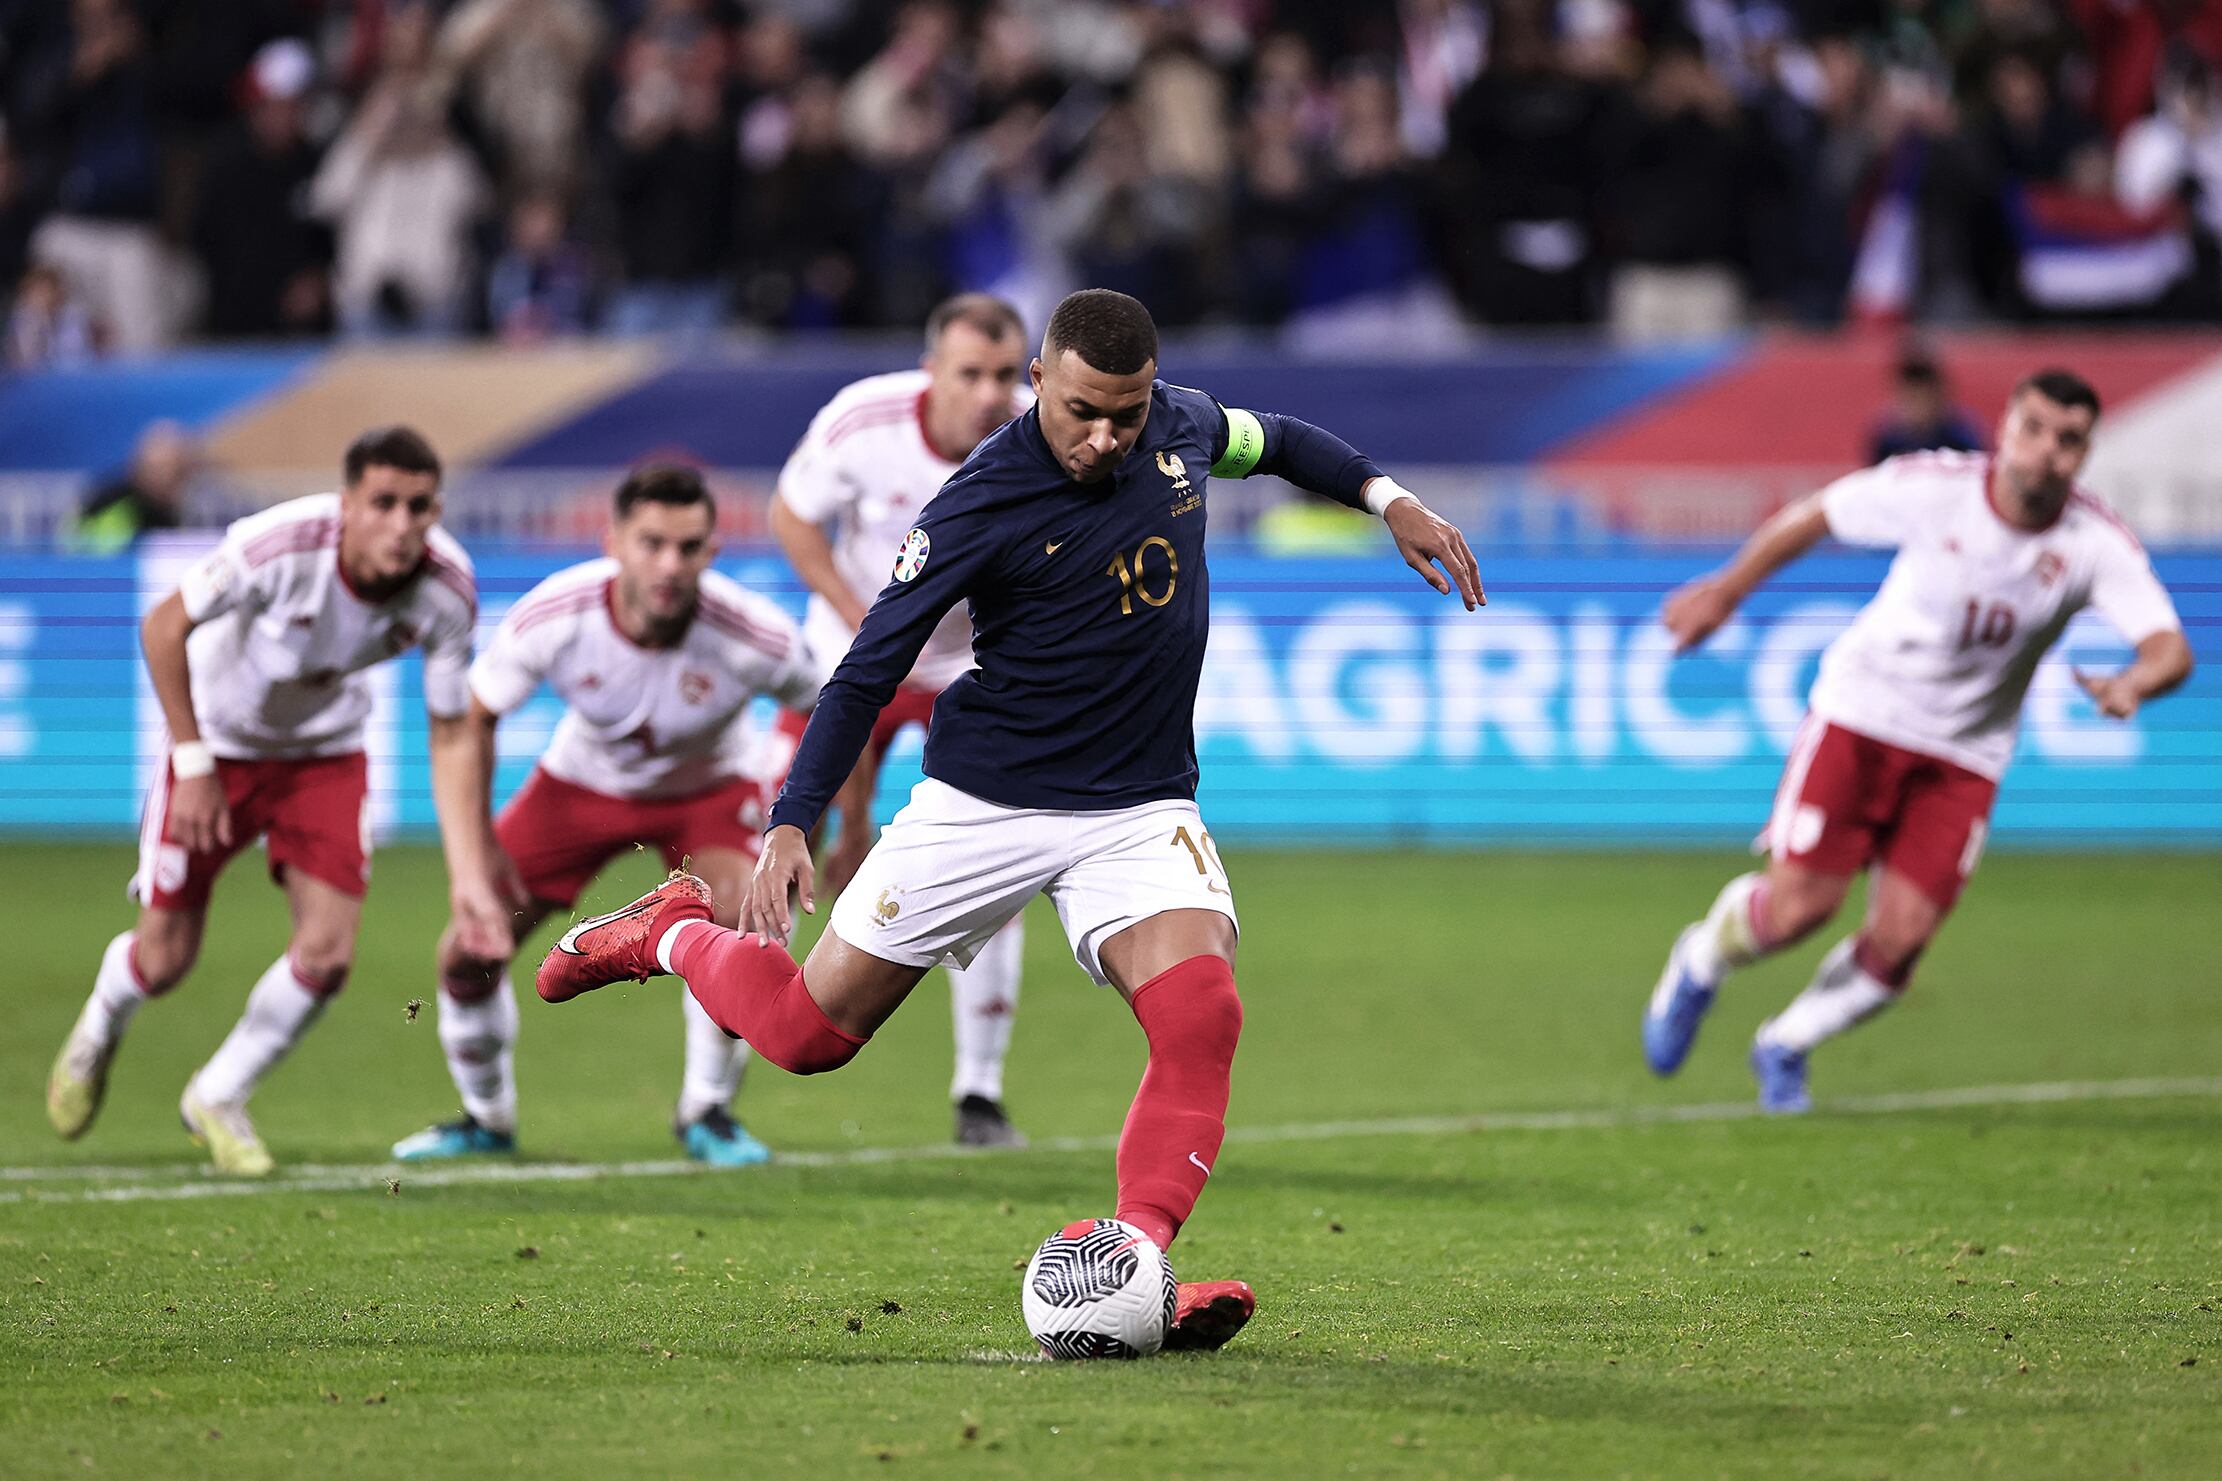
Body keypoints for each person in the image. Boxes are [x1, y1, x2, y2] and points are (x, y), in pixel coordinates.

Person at [535, 288, 1483, 1352]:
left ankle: (1133, 1261)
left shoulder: (1180, 425)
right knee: (806, 1036)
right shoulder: (976, 501)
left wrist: (1384, 494)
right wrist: (793, 820)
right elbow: (865, 669)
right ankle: (669, 927)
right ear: (1037, 380)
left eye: (1125, 413)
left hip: (1135, 805)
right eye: (1083, 409)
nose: (1106, 436)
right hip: (985, 803)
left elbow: (1283, 444)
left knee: (1202, 1011)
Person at [1643, 369, 2193, 1112]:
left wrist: (2134, 683)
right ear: (2004, 427)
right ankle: (1701, 957)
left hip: (1965, 756)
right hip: (1863, 716)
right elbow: (1818, 515)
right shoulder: (1935, 487)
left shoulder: (2094, 543)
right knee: (1801, 909)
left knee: (1900, 940)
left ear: (2085, 452)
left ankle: (1786, 1044)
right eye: (2034, 430)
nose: (2046, 453)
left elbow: (2170, 648)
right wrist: (1726, 590)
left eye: (2069, 441)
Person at [46, 427, 512, 1175]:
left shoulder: (448, 591)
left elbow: (453, 734)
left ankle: (219, 1094)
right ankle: (101, 1025)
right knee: (164, 960)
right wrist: (193, 760)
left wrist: (467, 880)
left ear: (437, 509)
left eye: (418, 506)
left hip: (324, 757)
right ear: (347, 504)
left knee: (327, 956)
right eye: (383, 502)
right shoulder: (278, 547)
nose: (401, 523)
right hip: (219, 748)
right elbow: (163, 625)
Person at [392, 465, 823, 1166]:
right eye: (651, 542)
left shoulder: (754, 634)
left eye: (688, 548)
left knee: (750, 926)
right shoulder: (556, 615)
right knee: (467, 954)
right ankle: (486, 1118)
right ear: (613, 541)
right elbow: (474, 718)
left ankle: (707, 1111)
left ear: (712, 552)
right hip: (580, 786)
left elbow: (822, 707)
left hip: (708, 790)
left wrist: (796, 820)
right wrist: (472, 862)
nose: (669, 564)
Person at [767, 292, 1035, 1149]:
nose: (991, 394)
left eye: (1005, 374)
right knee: (776, 845)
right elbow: (791, 516)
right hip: (854, 654)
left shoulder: (1043, 437)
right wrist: (856, 614)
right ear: (931, 371)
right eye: (971, 374)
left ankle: (979, 1092)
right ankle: (714, 1092)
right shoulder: (862, 420)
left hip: (971, 663)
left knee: (1001, 864)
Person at [67, 420, 194, 553]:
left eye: (177, 470)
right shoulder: (116, 505)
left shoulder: (176, 510)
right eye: (160, 468)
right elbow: (95, 559)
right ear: (141, 466)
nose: (167, 477)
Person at [1867, 351, 1985, 465]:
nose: (1918, 407)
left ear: (1939, 396)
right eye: (1911, 398)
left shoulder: (1961, 437)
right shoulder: (1887, 440)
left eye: (1923, 398)